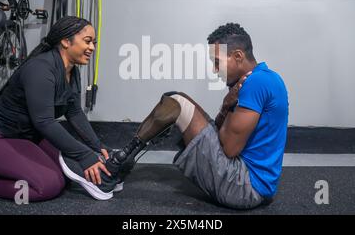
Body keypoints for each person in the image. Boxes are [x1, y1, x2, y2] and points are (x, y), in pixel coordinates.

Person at [106, 22, 289, 209]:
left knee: (176, 103)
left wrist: (227, 105)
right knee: (175, 100)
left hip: (244, 188)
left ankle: (114, 166)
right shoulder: (268, 77)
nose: (215, 70)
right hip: (256, 186)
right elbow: (222, 134)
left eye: (217, 62)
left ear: (238, 56)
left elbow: (229, 149)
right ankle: (122, 160)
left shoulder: (255, 83)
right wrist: (226, 107)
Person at [0, 16, 120, 201]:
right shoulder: (40, 69)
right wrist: (85, 155)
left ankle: (6, 169)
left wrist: (97, 146)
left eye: (94, 43)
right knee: (48, 186)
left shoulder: (72, 71)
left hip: (28, 137)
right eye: (88, 41)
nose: (92, 48)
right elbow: (44, 122)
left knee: (66, 176)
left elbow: (74, 112)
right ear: (66, 41)